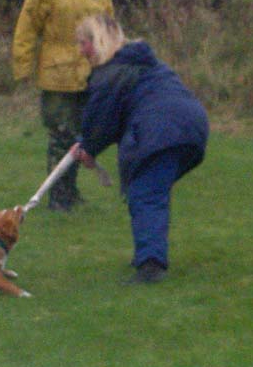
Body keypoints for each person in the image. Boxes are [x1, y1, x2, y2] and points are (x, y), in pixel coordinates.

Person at [71, 14, 209, 283]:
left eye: (83, 43)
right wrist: (91, 144)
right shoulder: (140, 61)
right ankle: (148, 253)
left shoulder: (111, 72)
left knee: (145, 194)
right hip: (192, 126)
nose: (80, 50)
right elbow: (116, 117)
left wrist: (88, 147)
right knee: (149, 191)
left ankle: (150, 265)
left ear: (97, 42)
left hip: (162, 129)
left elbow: (100, 119)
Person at [12, 0, 114, 211]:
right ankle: (58, 197)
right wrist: (23, 65)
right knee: (60, 137)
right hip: (56, 75)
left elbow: (110, 28)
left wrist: (112, 63)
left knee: (84, 137)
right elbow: (27, 27)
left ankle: (70, 190)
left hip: (91, 72)